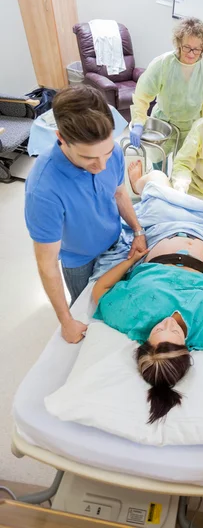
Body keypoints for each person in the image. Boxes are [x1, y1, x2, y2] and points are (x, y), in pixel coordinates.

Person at [92, 171, 203, 423]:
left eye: (158, 330)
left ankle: (140, 183)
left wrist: (131, 261)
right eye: (173, 332)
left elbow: (100, 290)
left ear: (145, 342)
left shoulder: (131, 319)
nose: (167, 323)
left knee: (157, 182)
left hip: (164, 230)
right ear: (186, 348)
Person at [25, 85, 147, 344]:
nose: (101, 166)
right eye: (88, 158)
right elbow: (47, 266)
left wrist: (137, 230)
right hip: (79, 260)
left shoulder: (111, 151)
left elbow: (119, 193)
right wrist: (66, 321)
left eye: (105, 154)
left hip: (115, 242)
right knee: (89, 312)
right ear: (61, 138)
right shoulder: (44, 189)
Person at [130, 17, 203, 156]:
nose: (191, 53)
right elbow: (142, 95)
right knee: (158, 164)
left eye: (196, 49)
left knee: (181, 167)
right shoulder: (163, 64)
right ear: (178, 43)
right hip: (162, 124)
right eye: (187, 47)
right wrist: (139, 121)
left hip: (190, 128)